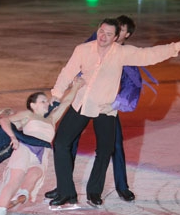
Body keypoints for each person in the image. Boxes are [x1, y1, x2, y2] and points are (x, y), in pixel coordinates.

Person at [48, 18, 180, 208]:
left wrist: (178, 46)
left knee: (104, 151)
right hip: (82, 104)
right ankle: (66, 192)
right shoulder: (83, 49)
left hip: (105, 108)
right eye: (101, 31)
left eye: (108, 34)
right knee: (61, 143)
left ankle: (94, 192)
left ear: (116, 37)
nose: (103, 36)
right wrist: (56, 94)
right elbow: (67, 72)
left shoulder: (121, 53)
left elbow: (149, 55)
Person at [44, 15, 150, 203]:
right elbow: (78, 64)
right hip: (84, 102)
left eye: (121, 30)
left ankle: (120, 187)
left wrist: (115, 104)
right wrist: (69, 86)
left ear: (124, 35)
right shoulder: (96, 44)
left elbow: (132, 86)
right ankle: (63, 187)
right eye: (105, 31)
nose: (108, 34)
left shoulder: (127, 55)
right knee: (67, 142)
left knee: (112, 147)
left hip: (108, 107)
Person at [0, 75, 84, 215]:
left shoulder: (52, 119)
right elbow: (4, 120)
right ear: (33, 105)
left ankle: (21, 195)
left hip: (41, 154)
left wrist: (76, 87)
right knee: (14, 180)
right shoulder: (28, 115)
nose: (47, 103)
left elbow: (66, 102)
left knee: (36, 174)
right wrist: (13, 137)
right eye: (43, 101)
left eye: (46, 101)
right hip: (25, 150)